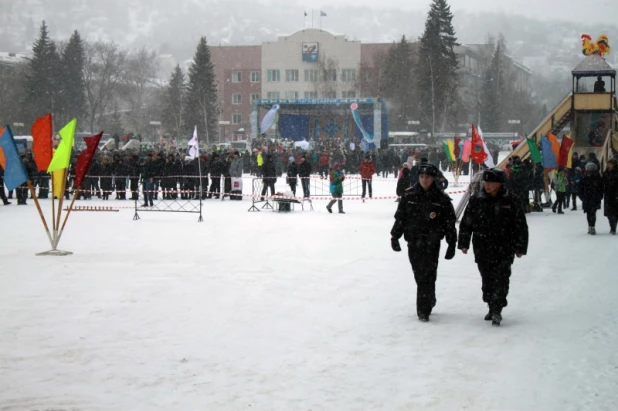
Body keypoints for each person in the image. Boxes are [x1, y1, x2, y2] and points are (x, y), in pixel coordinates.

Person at [458, 168, 529, 326]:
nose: (488, 185)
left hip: (505, 247)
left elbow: (520, 225)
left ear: (499, 183)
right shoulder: (476, 200)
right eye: (486, 182)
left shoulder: (510, 200)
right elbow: (467, 222)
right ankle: (491, 304)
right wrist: (463, 242)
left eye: (491, 182)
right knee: (487, 278)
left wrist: (520, 246)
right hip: (482, 246)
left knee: (502, 278)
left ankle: (497, 308)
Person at [390, 163, 457, 322]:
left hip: (432, 243)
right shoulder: (409, 196)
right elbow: (400, 218)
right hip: (413, 241)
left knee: (428, 274)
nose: (424, 180)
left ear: (433, 179)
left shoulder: (441, 198)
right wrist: (395, 236)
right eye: (422, 177)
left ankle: (423, 308)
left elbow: (449, 223)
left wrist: (452, 243)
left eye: (427, 177)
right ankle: (429, 296)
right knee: (419, 274)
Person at [580, 162, 604, 235]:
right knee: (588, 213)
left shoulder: (597, 177)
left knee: (593, 213)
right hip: (587, 198)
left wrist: (600, 196)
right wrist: (582, 197)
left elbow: (601, 188)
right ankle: (590, 226)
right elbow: (580, 189)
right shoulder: (584, 177)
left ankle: (592, 226)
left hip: (594, 198)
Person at [602, 157, 618, 234]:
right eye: (608, 164)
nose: (608, 166)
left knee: (615, 213)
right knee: (610, 213)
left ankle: (613, 227)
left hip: (615, 195)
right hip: (608, 195)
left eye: (610, 164)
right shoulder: (606, 173)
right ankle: (612, 227)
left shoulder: (616, 173)